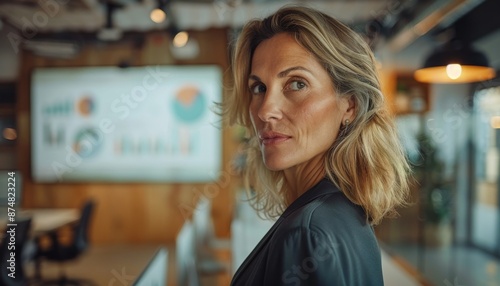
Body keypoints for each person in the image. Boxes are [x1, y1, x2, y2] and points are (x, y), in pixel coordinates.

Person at [222, 6, 410, 286]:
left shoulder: (306, 231)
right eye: (259, 88)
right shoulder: (342, 212)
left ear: (350, 105)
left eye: (297, 84)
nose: (265, 111)